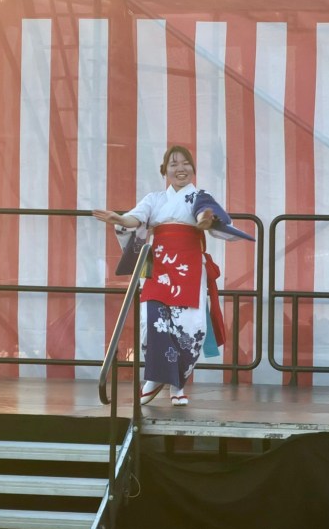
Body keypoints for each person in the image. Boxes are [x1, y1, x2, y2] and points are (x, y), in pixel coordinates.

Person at [94, 145, 253, 407]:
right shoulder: (155, 199)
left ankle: (177, 384)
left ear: (193, 168)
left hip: (189, 269)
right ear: (164, 171)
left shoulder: (199, 196)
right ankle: (154, 379)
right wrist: (119, 219)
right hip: (158, 267)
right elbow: (136, 219)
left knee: (189, 328)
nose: (180, 168)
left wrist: (205, 220)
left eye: (185, 163)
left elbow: (205, 213)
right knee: (152, 321)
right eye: (173, 164)